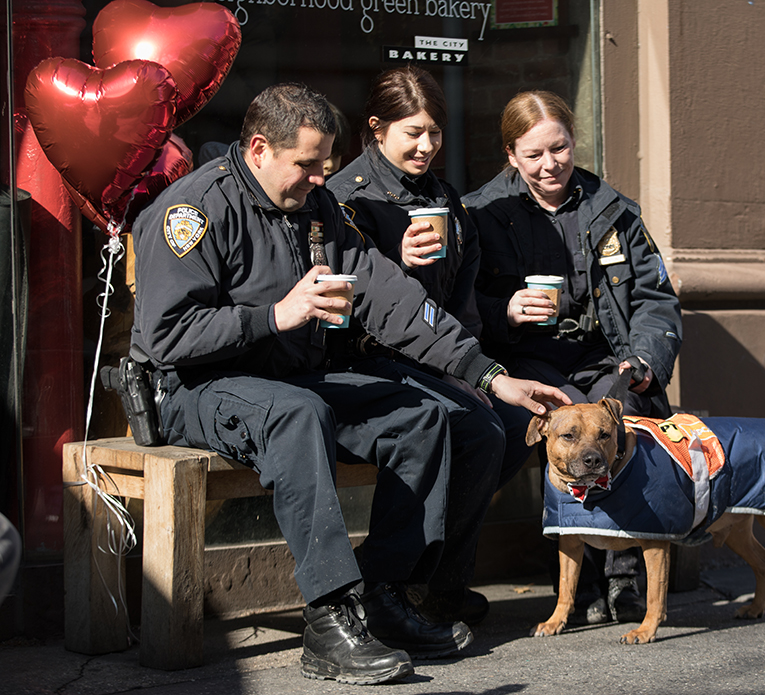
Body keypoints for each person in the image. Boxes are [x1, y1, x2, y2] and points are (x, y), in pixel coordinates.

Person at [130, 82, 569, 686]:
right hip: (197, 386)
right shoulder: (193, 212)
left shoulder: (317, 209)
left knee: (423, 416)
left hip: (290, 374)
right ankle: (330, 618)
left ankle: (385, 592)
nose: (320, 179)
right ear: (259, 149)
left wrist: (492, 377)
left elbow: (391, 300)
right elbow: (166, 338)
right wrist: (275, 315)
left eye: (326, 166)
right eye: (307, 165)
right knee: (298, 414)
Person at [462, 90, 683, 626]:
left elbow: (656, 299)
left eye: (558, 148)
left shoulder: (612, 210)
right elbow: (457, 304)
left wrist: (644, 359)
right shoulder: (482, 214)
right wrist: (504, 311)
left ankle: (626, 577)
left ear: (573, 142)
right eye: (533, 154)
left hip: (606, 357)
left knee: (630, 411)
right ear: (510, 155)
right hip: (523, 362)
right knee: (562, 421)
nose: (549, 164)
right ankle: (580, 582)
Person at [327, 67, 534, 626]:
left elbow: (462, 305)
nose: (426, 146)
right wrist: (395, 263)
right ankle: (400, 587)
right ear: (376, 128)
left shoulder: (446, 200)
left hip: (440, 361)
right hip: (363, 363)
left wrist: (473, 371)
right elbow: (338, 306)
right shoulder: (344, 202)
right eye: (412, 132)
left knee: (515, 428)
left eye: (436, 133)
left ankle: (436, 583)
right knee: (475, 430)